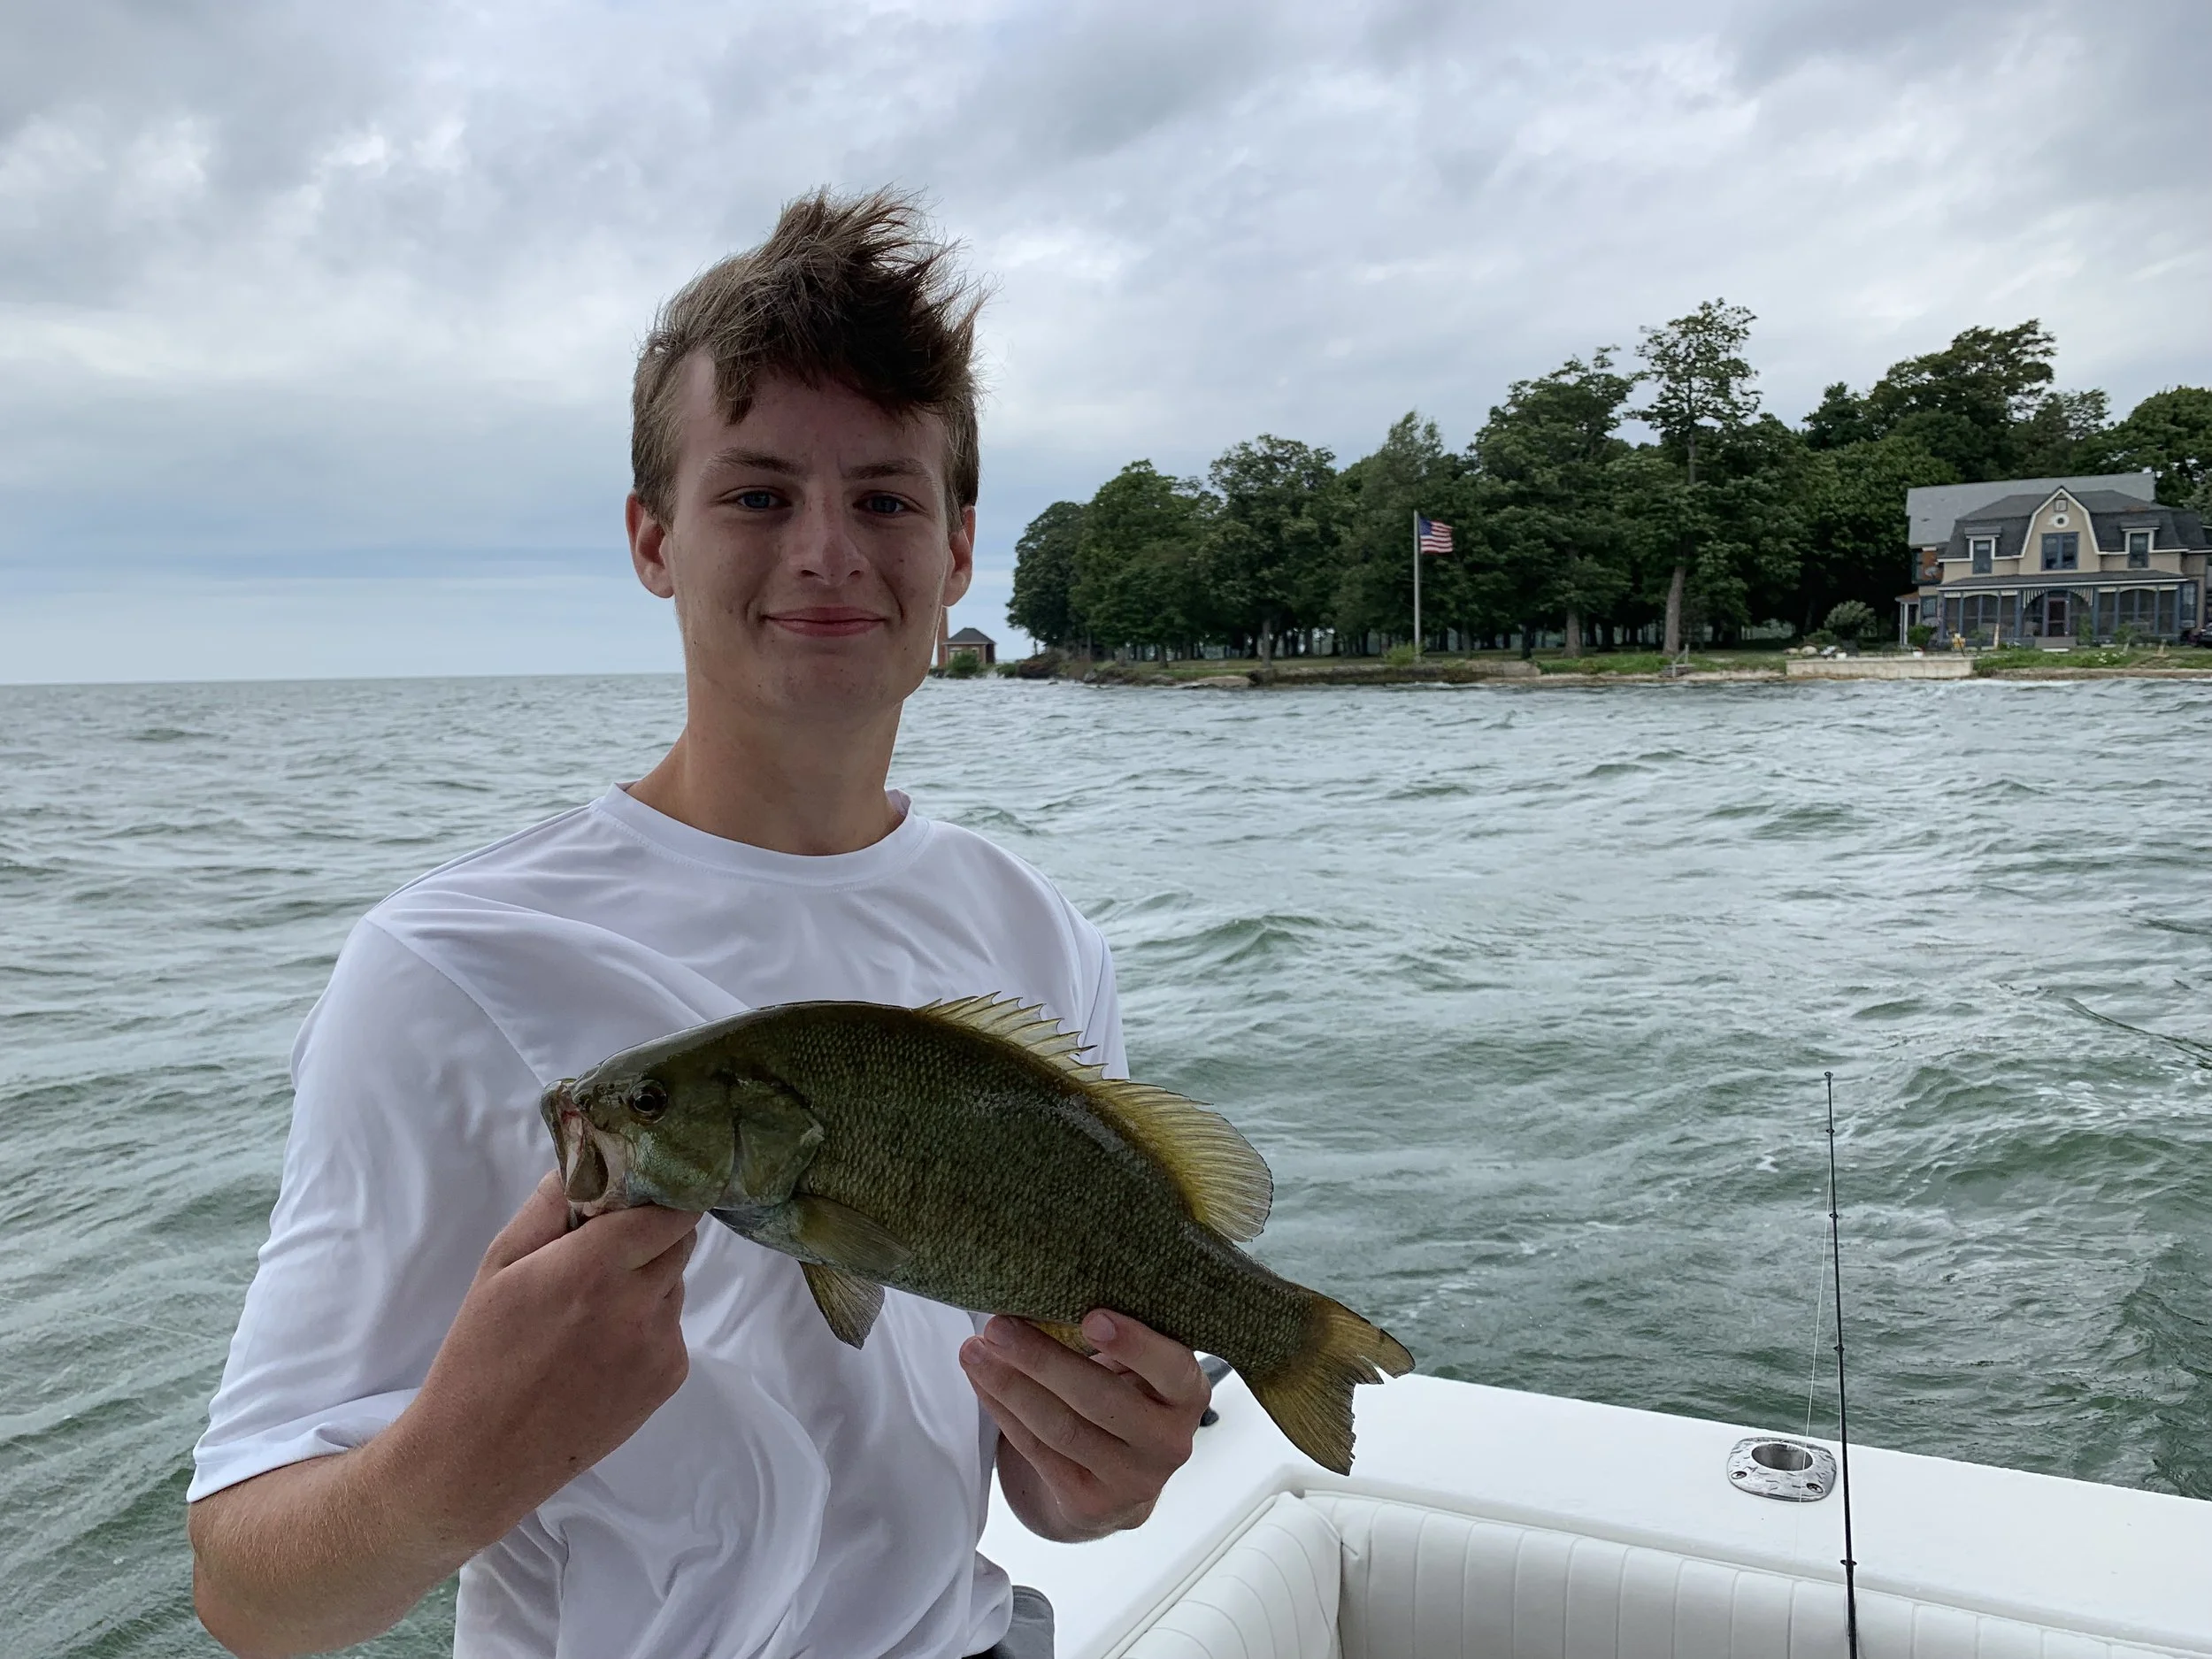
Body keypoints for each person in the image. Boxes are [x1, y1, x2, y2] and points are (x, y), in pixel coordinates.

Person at [186, 189, 1210, 1659]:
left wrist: (1099, 1469)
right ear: (652, 538)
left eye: (885, 499)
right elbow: (248, 1592)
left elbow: (1037, 1486)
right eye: (758, 496)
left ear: (958, 552)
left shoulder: (1041, 939)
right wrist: (452, 1458)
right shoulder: (446, 965)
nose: (827, 550)